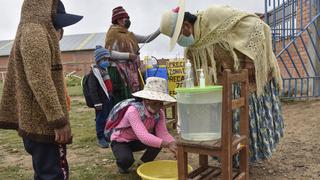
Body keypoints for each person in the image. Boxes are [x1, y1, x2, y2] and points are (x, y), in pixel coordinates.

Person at [160, 0, 284, 162]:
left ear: (186, 26)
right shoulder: (194, 45)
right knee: (229, 120)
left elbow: (256, 25)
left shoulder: (213, 16)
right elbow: (197, 66)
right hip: (228, 80)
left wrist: (249, 64)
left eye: (178, 35)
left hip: (249, 73)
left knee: (248, 116)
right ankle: (235, 160)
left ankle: (248, 157)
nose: (179, 40)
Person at [0, 0, 82, 179]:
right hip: (44, 126)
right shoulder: (35, 33)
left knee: (45, 173)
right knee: (53, 175)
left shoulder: (33, 31)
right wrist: (58, 121)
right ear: (47, 13)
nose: (59, 31)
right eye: (58, 24)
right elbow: (39, 79)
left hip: (40, 123)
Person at [109, 77, 177, 174]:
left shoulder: (160, 113)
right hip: (122, 141)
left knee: (157, 143)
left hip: (137, 140)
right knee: (126, 160)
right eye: (154, 101)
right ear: (146, 99)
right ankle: (123, 167)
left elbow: (162, 133)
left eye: (160, 103)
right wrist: (167, 144)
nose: (158, 106)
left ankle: (143, 165)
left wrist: (173, 144)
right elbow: (144, 136)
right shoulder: (133, 111)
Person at [105, 6, 161, 105]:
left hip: (131, 71)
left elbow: (146, 38)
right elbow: (109, 53)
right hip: (117, 72)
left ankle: (133, 116)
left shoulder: (129, 35)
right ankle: (122, 118)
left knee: (133, 96)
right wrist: (128, 56)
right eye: (126, 19)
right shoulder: (112, 34)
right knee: (122, 99)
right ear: (118, 20)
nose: (128, 21)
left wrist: (160, 30)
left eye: (128, 18)